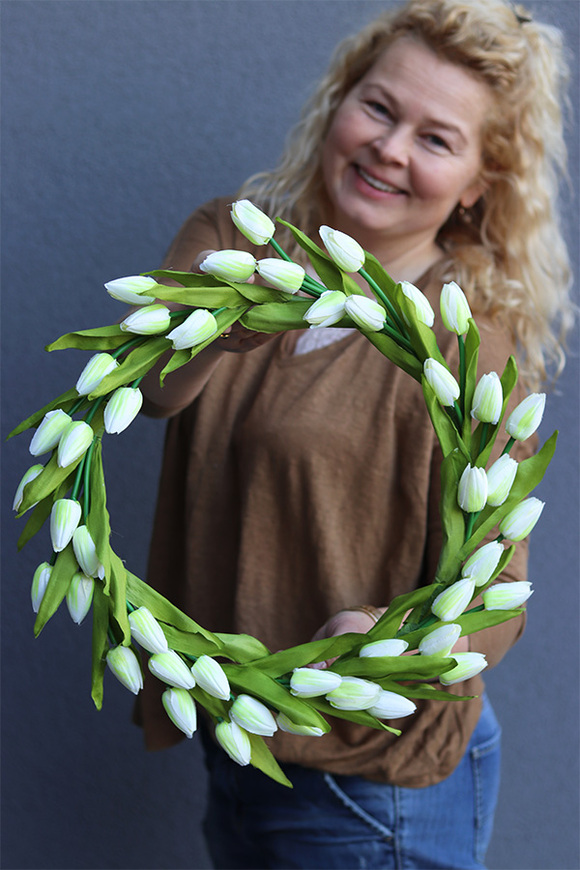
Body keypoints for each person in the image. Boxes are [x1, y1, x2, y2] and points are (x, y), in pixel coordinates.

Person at [135, 1, 573, 867]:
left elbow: (496, 598)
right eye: (378, 108)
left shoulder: (464, 345)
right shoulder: (233, 239)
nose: (391, 148)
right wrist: (242, 310)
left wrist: (384, 638)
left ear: (477, 185)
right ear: (340, 100)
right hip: (239, 739)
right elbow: (152, 388)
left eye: (436, 139)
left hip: (375, 785)